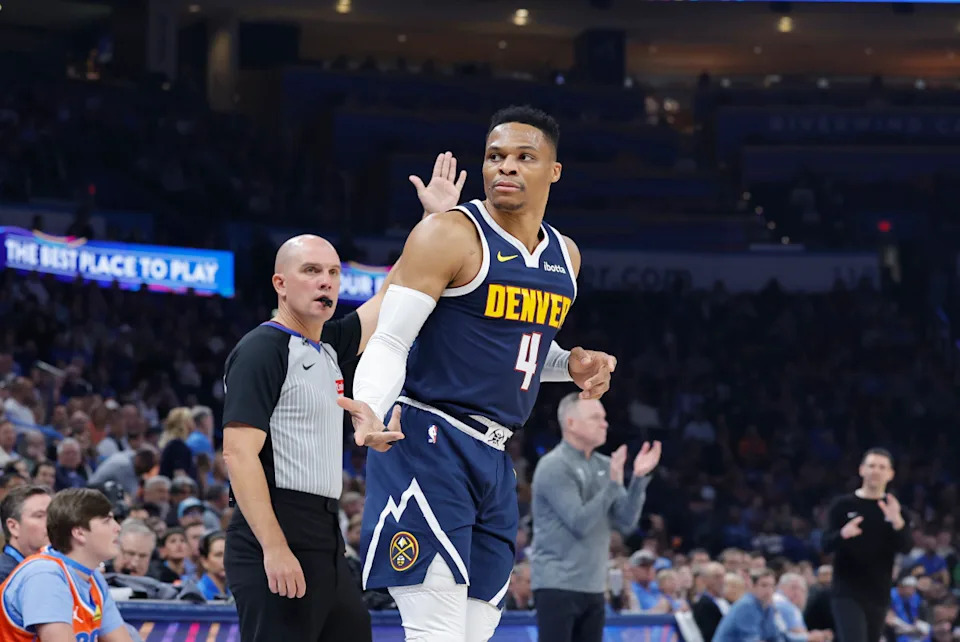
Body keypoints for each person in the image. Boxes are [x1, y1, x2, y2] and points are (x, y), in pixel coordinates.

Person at [346, 105, 616, 642]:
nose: (505, 168)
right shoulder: (449, 234)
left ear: (553, 172)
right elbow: (391, 338)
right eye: (495, 157)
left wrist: (573, 364)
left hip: (494, 457)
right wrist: (369, 408)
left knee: (475, 630)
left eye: (523, 157)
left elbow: (523, 350)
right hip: (426, 438)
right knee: (436, 630)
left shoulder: (566, 256)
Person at [222, 157, 458, 642]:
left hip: (326, 536)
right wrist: (274, 546)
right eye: (311, 271)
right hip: (276, 529)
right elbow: (237, 453)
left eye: (332, 271)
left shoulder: (329, 345)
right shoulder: (262, 348)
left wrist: (432, 225)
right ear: (280, 283)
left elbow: (393, 293)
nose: (326, 280)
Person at [530, 393, 660, 642]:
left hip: (593, 586)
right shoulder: (554, 465)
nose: (605, 423)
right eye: (595, 418)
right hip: (557, 585)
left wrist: (638, 480)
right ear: (570, 423)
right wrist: (612, 484)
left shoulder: (604, 464)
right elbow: (580, 522)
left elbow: (625, 522)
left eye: (604, 417)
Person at [0, 488, 131, 641]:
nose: (117, 527)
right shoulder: (44, 574)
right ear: (79, 533)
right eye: (106, 521)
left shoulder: (92, 576)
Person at [822, 447, 910, 642]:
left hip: (879, 592)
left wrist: (897, 522)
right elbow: (825, 544)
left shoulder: (896, 510)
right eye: (871, 466)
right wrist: (842, 534)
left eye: (881, 467)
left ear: (890, 474)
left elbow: (906, 548)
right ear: (862, 470)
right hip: (847, 590)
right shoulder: (842, 505)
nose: (875, 471)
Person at [712, 568, 781, 642]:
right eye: (764, 585)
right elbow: (752, 639)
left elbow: (775, 636)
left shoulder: (767, 606)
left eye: (772, 586)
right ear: (753, 586)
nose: (769, 590)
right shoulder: (746, 605)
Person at [0, 485, 52, 581]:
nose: (51, 522)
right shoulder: (3, 576)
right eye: (39, 516)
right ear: (13, 527)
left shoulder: (57, 570)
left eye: (53, 514)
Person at [774, 572, 832, 642]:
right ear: (780, 587)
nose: (797, 593)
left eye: (801, 590)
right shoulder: (785, 604)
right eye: (793, 587)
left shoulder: (778, 601)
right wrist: (815, 636)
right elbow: (800, 634)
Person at [692, 562, 729, 642]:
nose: (722, 580)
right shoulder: (703, 604)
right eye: (717, 577)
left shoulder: (726, 601)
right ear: (706, 580)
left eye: (723, 576)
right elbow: (709, 635)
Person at [196, 531, 230, 601]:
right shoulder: (198, 593)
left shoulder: (233, 591)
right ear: (204, 561)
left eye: (228, 554)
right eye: (218, 555)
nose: (225, 560)